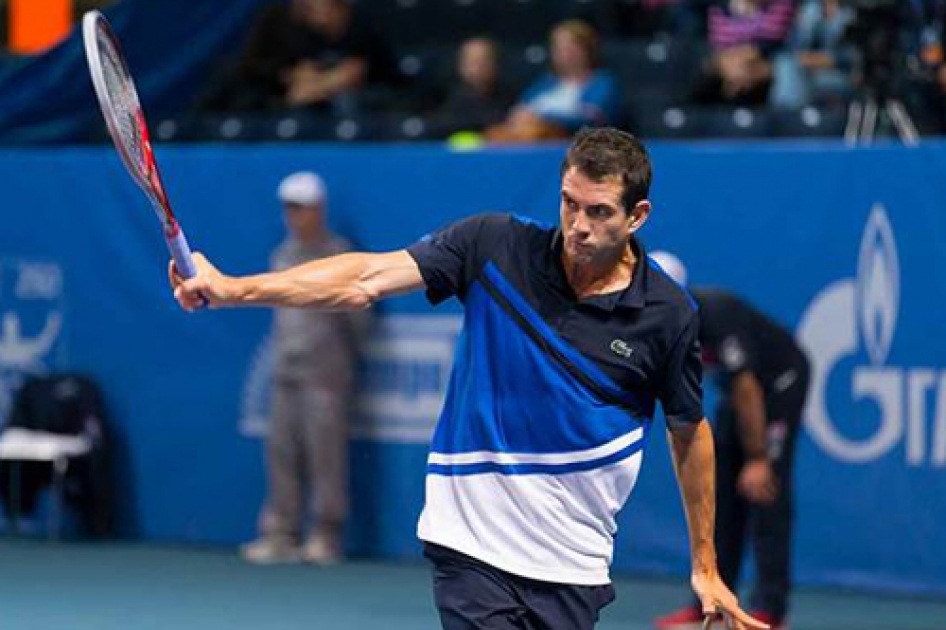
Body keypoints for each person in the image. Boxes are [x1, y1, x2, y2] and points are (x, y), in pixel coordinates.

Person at [170, 128, 767, 630]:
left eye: (599, 211)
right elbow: (364, 279)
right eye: (569, 203)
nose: (579, 225)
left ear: (637, 216)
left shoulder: (669, 314)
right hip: (471, 540)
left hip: (573, 560)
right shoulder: (493, 246)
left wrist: (706, 565)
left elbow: (689, 433)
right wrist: (235, 290)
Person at [650, 252, 809, 630]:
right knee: (719, 493)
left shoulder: (715, 313)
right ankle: (711, 602)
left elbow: (747, 387)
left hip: (777, 385)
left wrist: (757, 458)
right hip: (738, 397)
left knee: (765, 489)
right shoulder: (658, 323)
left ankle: (770, 610)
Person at [240, 171, 368, 565]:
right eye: (288, 209)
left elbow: (360, 321)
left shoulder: (342, 256)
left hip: (326, 375)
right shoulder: (282, 255)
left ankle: (325, 537)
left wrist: (341, 364)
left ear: (318, 210)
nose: (293, 217)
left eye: (300, 208)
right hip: (285, 373)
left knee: (325, 456)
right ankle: (281, 533)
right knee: (281, 452)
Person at [201, 0, 396, 115]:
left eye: (320, 6)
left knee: (346, 102)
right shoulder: (288, 23)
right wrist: (293, 79)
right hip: (301, 94)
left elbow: (356, 71)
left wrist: (320, 86)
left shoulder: (361, 28)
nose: (314, 12)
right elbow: (293, 69)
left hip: (368, 95)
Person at [486, 21, 619, 143]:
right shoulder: (546, 82)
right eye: (558, 48)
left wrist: (543, 118)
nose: (564, 54)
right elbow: (522, 109)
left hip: (575, 145)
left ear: (587, 50)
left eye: (571, 48)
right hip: (530, 139)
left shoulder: (602, 82)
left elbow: (592, 118)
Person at [431, 38, 516, 139]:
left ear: (495, 64)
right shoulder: (442, 95)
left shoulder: (511, 97)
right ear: (461, 65)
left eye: (484, 60)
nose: (478, 67)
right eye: (472, 61)